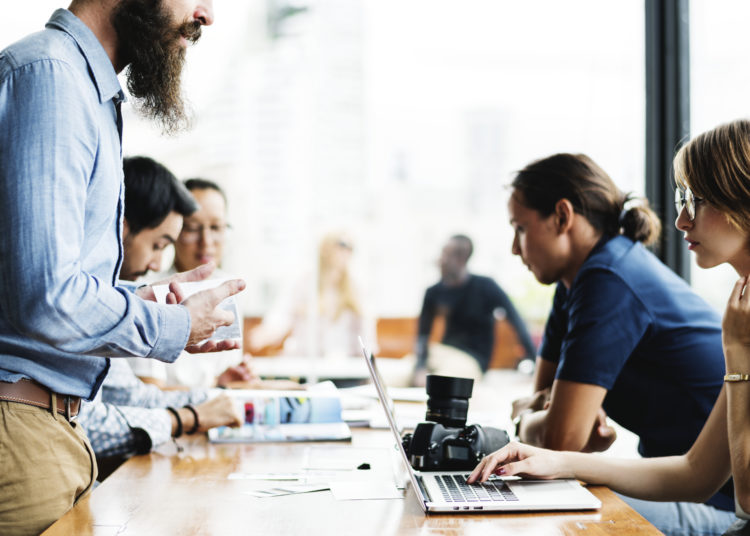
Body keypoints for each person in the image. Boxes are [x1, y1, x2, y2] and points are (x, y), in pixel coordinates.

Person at [0, 2, 245, 534]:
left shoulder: (83, 88)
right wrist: (173, 327)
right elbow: (46, 297)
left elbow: (53, 287)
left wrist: (153, 304)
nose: (205, 13)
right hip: (20, 424)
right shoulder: (52, 77)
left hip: (52, 424)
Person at [468, 138, 750, 536]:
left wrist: (536, 426)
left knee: (558, 516)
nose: (681, 220)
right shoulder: (739, 310)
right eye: (682, 198)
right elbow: (694, 472)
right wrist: (558, 460)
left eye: (696, 199)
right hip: (697, 493)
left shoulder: (610, 278)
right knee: (546, 496)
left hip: (718, 510)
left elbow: (557, 434)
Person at [79, 155, 243, 468]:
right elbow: (87, 424)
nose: (156, 264)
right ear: (121, 228)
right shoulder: (90, 305)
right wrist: (190, 416)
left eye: (217, 227)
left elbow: (132, 397)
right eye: (158, 245)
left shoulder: (111, 299)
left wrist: (218, 398)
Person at [129, 178, 251, 388]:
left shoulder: (229, 290)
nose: (206, 241)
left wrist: (226, 382)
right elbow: (149, 390)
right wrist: (214, 390)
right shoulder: (149, 293)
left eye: (216, 227)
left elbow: (218, 381)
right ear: (174, 231)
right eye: (193, 228)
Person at [411, 234, 536, 386]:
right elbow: (423, 335)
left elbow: (516, 320)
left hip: (472, 359)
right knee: (393, 373)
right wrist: (419, 367)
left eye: (446, 255)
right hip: (441, 353)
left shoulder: (486, 286)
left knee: (443, 381)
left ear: (461, 259)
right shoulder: (434, 292)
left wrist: (535, 362)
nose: (440, 260)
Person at [248, 231, 377, 358]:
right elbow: (283, 313)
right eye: (341, 245)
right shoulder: (304, 281)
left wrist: (367, 357)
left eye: (351, 248)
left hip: (344, 364)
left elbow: (366, 332)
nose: (346, 251)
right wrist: (268, 332)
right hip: (306, 360)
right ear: (325, 248)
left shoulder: (356, 287)